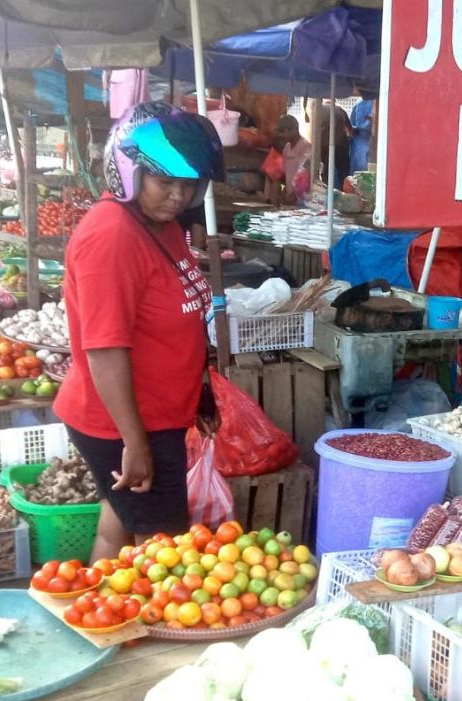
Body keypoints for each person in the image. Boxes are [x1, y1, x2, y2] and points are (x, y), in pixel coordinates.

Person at [55, 102, 224, 560]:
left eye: (188, 185)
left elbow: (179, 316)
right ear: (129, 172)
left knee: (121, 527)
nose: (176, 196)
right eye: (163, 181)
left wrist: (200, 389)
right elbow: (105, 350)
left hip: (157, 417)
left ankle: (98, 616)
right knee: (163, 553)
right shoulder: (111, 236)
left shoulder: (161, 225)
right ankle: (139, 627)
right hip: (124, 424)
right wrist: (134, 443)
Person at [263, 115, 311, 204]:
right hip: (290, 197)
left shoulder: (305, 148)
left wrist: (294, 195)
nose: (281, 135)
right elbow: (287, 175)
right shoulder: (287, 148)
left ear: (294, 130)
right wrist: (284, 193)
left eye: (282, 132)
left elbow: (305, 176)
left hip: (303, 198)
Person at [318, 99, 352, 191]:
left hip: (323, 145)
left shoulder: (318, 110)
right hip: (341, 145)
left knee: (325, 171)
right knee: (343, 172)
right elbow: (350, 130)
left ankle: (324, 192)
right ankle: (344, 193)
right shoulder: (339, 109)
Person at [348, 88, 376, 174]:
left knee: (358, 173)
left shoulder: (360, 102)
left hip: (359, 141)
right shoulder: (375, 102)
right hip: (365, 140)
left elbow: (353, 124)